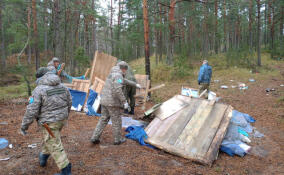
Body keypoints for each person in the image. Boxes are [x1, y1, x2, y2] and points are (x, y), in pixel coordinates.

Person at [20, 67, 72, 175]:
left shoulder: (39, 90)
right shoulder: (63, 87)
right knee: (50, 138)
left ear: (39, 78)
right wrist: (64, 115)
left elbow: (31, 110)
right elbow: (70, 102)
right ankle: (43, 156)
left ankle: (66, 170)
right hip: (61, 120)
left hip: (49, 123)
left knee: (54, 144)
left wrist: (24, 126)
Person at [90, 61, 141, 145]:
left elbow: (124, 81)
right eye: (126, 70)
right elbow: (118, 89)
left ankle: (95, 137)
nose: (126, 72)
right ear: (123, 69)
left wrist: (135, 84)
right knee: (116, 120)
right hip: (112, 102)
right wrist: (124, 102)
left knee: (103, 119)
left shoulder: (113, 74)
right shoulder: (118, 75)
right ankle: (118, 139)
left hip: (104, 101)